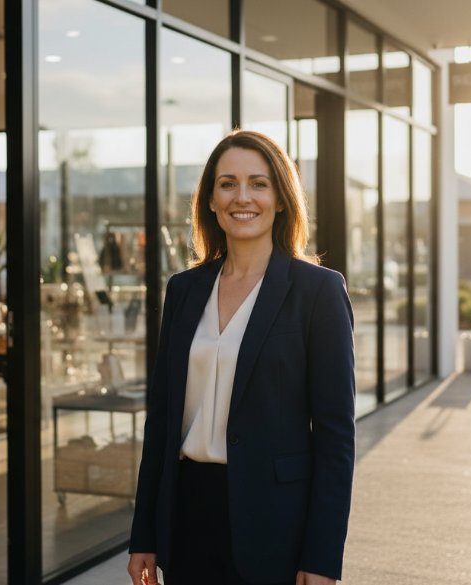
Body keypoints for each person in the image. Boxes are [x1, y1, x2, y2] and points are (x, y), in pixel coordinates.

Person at [127, 130, 356, 585]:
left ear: (281, 199)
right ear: (211, 200)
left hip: (275, 524)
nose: (242, 197)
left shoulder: (318, 292)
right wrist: (144, 534)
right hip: (187, 518)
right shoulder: (184, 290)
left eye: (259, 183)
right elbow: (162, 422)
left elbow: (336, 438)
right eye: (227, 184)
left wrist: (322, 556)